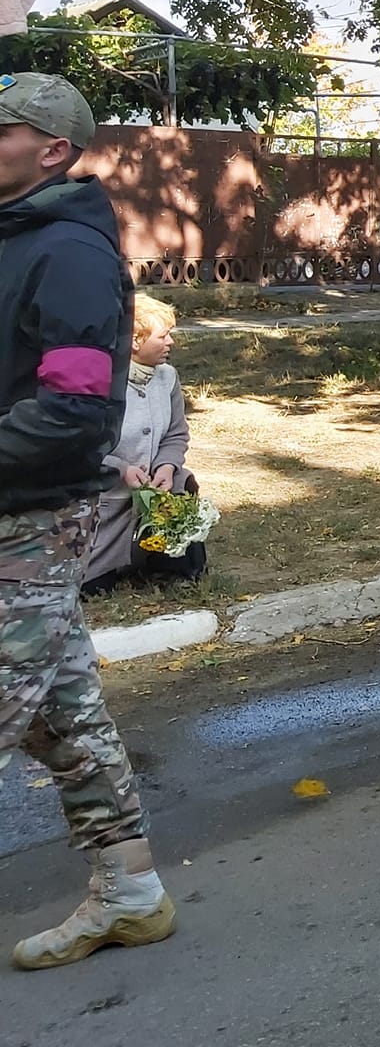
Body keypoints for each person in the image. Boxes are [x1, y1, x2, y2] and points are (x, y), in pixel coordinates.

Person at [0, 71, 178, 970]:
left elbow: (70, 411)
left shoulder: (65, 253)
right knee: (63, 714)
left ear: (53, 149)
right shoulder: (17, 237)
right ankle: (131, 890)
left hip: (28, 519)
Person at [87, 293, 200, 590]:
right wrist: (120, 469)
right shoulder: (100, 383)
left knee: (182, 488)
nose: (171, 342)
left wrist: (167, 467)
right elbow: (84, 445)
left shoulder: (167, 378)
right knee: (93, 585)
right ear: (136, 340)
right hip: (108, 493)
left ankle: (167, 563)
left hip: (156, 490)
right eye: (163, 336)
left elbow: (176, 434)